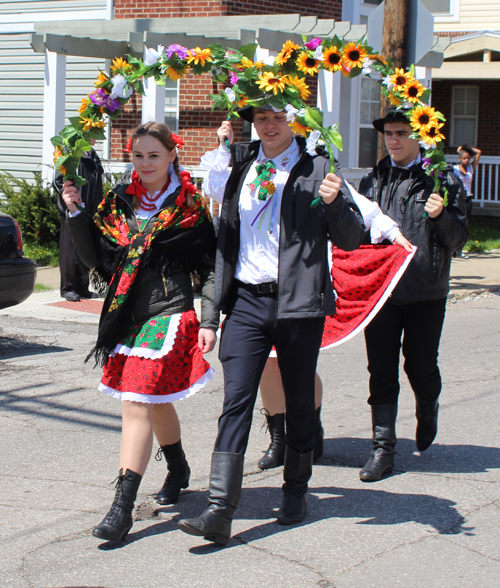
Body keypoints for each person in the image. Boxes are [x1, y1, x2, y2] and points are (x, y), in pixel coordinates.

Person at [177, 104, 365, 545]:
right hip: (245, 301)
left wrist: (336, 204)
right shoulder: (239, 164)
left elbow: (352, 237)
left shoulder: (318, 167)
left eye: (278, 116)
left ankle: (296, 490)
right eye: (261, 118)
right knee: (236, 400)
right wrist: (212, 310)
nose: (270, 125)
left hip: (298, 303)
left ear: (293, 121)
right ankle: (220, 511)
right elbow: (223, 237)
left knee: (298, 400)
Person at [61, 122, 218, 542]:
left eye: (154, 155)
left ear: (172, 155)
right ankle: (180, 467)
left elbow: (209, 266)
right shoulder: (117, 202)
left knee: (137, 401)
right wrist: (75, 212)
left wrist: (209, 319)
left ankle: (122, 509)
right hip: (126, 312)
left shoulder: (190, 205)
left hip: (171, 313)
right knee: (157, 401)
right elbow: (96, 257)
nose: (145, 163)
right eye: (137, 156)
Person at [257, 186, 413, 470]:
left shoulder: (316, 166)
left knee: (295, 363)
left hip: (303, 274)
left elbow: (361, 207)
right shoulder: (258, 167)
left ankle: (310, 432)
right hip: (261, 274)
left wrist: (393, 235)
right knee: (268, 362)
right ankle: (278, 439)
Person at [356, 107, 468, 482]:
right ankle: (383, 449)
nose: (394, 140)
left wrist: (440, 217)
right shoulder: (373, 181)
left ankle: (428, 406)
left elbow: (458, 241)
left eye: (401, 132)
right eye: (388, 133)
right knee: (381, 371)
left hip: (426, 291)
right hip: (382, 292)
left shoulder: (441, 179)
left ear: (420, 135)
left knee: (420, 366)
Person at [55, 142, 104, 301]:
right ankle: (68, 287)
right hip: (74, 208)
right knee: (70, 249)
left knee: (86, 248)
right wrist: (71, 203)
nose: (93, 139)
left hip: (90, 207)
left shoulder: (92, 155)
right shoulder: (70, 155)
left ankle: (83, 286)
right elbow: (59, 180)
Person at [453, 143, 481, 258]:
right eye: (464, 158)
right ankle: (453, 248)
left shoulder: (470, 168)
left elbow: (478, 152)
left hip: (468, 198)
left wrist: (464, 149)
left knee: (465, 223)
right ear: (460, 158)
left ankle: (460, 249)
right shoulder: (454, 169)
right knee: (456, 223)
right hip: (457, 198)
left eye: (468, 159)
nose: (467, 161)